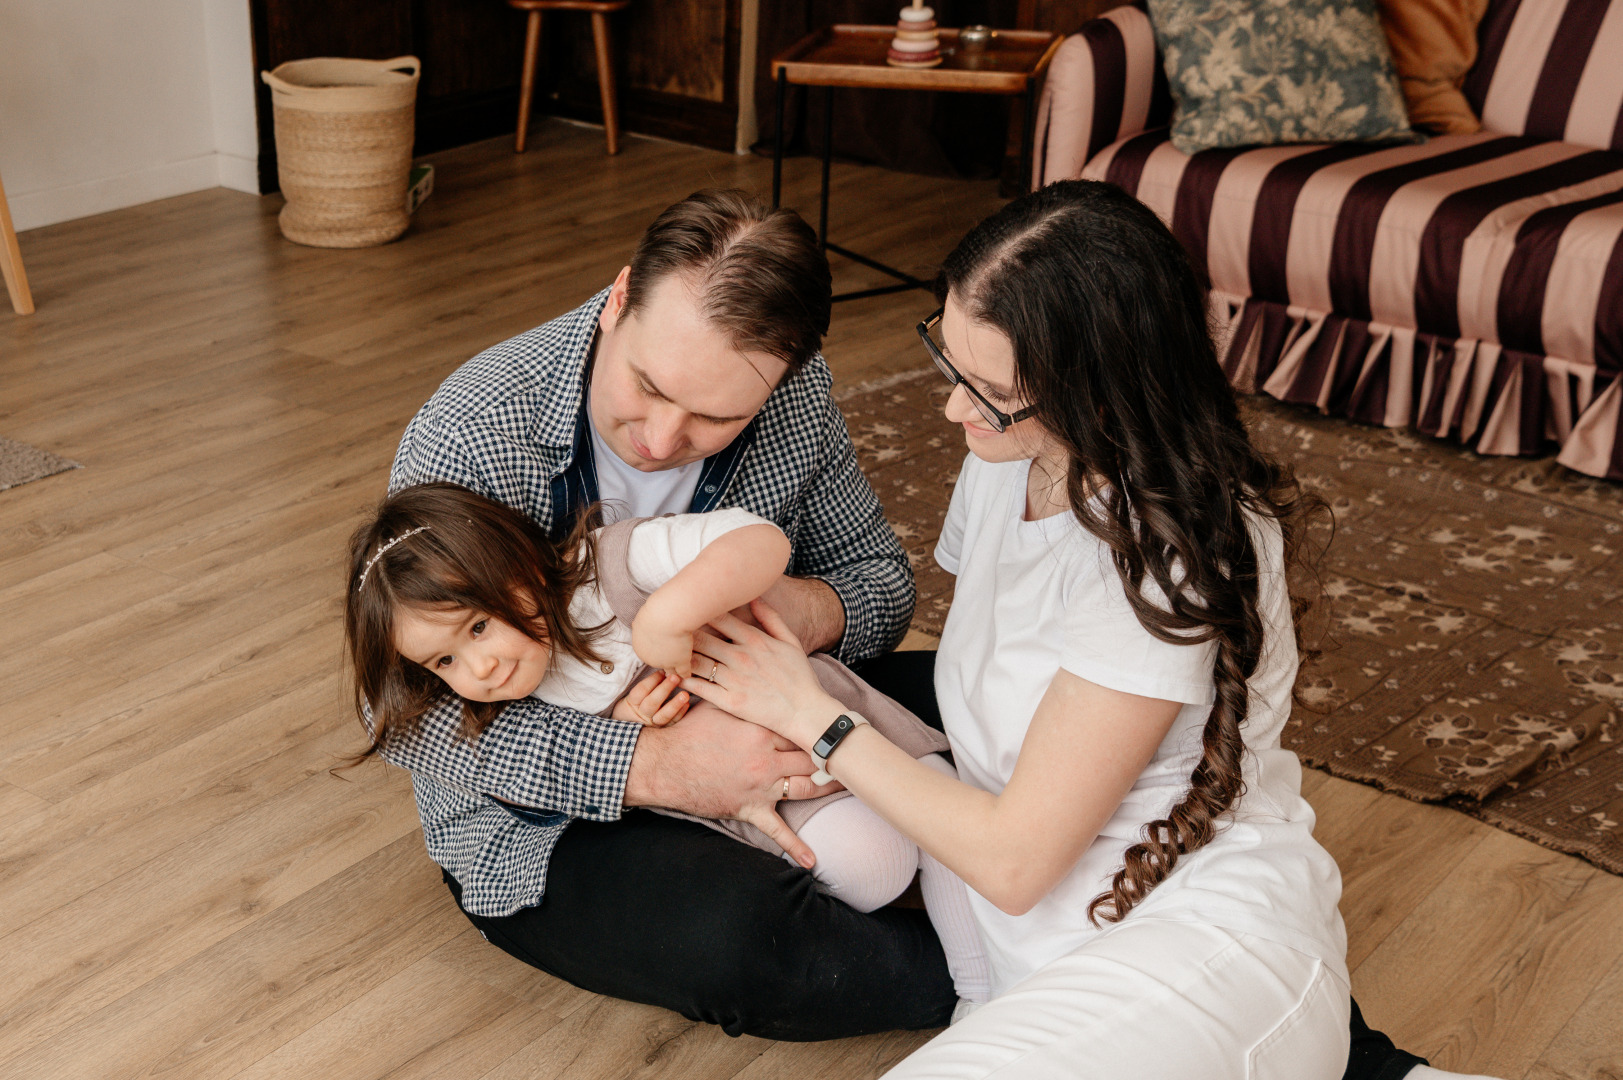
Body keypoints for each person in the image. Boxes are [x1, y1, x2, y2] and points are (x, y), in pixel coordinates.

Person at [672, 179, 1468, 1078]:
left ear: (1103, 390)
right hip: (1043, 967)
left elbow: (1014, 861)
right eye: (950, 363)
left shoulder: (1166, 555)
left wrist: (810, 712)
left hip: (1202, 947)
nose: (953, 410)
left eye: (992, 392)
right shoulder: (1006, 458)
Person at [383, 188, 962, 1037]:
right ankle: (1011, 974)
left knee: (995, 694)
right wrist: (654, 764)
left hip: (779, 697)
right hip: (554, 812)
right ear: (619, 298)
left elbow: (879, 578)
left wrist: (793, 613)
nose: (658, 440)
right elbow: (405, 715)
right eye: (646, 386)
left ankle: (1006, 900)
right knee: (740, 938)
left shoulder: (794, 402)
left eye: (716, 417)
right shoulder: (479, 430)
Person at [342, 481, 990, 1005]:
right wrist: (624, 726)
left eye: (479, 627)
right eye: (444, 663)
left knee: (947, 822)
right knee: (871, 866)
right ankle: (952, 971)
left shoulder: (612, 566)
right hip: (769, 794)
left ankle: (979, 989)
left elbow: (759, 542)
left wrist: (667, 614)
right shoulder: (526, 694)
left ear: (518, 568)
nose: (478, 670)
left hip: (825, 713)